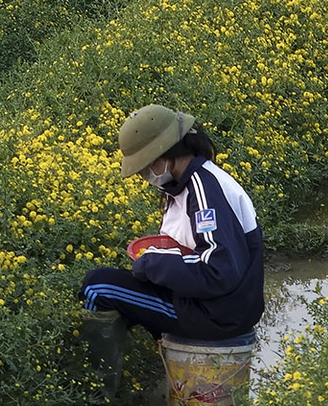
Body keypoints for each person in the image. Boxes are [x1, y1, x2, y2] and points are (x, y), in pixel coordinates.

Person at [79, 104, 265, 340]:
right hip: (216, 306)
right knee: (119, 283)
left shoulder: (205, 191)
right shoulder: (184, 185)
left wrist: (151, 264)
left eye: (146, 166)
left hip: (216, 314)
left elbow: (218, 271)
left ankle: (95, 371)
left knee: (98, 286)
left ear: (166, 154)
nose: (144, 175)